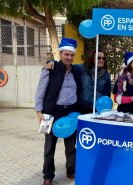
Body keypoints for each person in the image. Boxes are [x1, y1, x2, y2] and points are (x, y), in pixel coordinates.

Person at [34, 38, 81, 185]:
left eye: (72, 55)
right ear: (60, 54)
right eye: (66, 54)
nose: (69, 57)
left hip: (71, 113)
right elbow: (40, 90)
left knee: (71, 146)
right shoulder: (51, 68)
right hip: (51, 112)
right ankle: (48, 175)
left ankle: (71, 170)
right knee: (49, 147)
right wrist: (38, 111)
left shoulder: (76, 71)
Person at [45, 50, 111, 114]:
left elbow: (106, 94)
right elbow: (67, 64)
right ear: (92, 59)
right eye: (98, 58)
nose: (101, 60)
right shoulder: (82, 69)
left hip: (97, 110)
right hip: (82, 109)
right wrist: (52, 62)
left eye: (103, 58)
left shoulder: (106, 75)